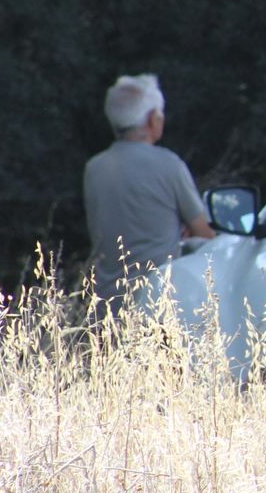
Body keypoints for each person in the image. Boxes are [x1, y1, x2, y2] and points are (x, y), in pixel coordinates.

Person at [83, 74, 214, 318]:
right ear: (153, 119)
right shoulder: (169, 164)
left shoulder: (94, 169)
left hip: (107, 305)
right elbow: (204, 233)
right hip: (159, 303)